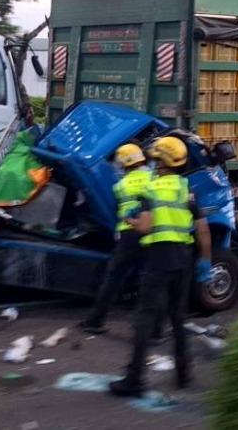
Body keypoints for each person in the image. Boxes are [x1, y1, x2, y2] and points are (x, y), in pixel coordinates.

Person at [109, 136, 213, 397]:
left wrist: (130, 220)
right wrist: (206, 260)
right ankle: (183, 374)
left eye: (156, 159)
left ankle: (134, 379)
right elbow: (203, 229)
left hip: (158, 259)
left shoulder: (151, 192)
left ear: (163, 162)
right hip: (184, 258)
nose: (154, 164)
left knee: (145, 317)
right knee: (178, 318)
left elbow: (145, 226)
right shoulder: (186, 190)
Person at [80, 143, 153, 334]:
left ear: (123, 164)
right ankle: (151, 328)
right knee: (150, 278)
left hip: (128, 235)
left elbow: (114, 208)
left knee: (113, 278)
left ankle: (96, 321)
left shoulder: (121, 185)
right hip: (151, 232)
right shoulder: (153, 178)